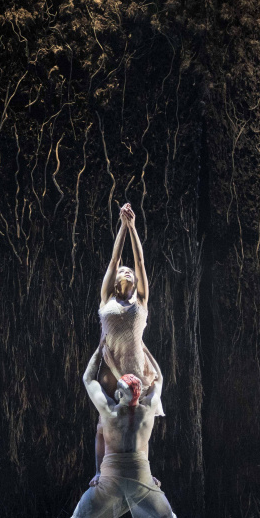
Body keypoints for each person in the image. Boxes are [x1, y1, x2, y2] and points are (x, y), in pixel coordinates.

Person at [65, 343, 183, 518]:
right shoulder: (148, 410)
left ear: (119, 394)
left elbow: (88, 379)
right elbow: (159, 379)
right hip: (141, 478)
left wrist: (100, 348)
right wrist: (143, 348)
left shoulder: (109, 412)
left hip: (111, 479)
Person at [91, 203, 163, 488]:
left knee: (140, 423)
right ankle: (100, 473)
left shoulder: (141, 301)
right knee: (104, 425)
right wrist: (121, 227)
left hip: (135, 366)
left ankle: (144, 472)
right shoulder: (107, 299)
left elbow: (140, 263)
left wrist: (133, 227)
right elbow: (113, 260)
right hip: (110, 364)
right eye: (124, 271)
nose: (127, 272)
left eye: (129, 272)